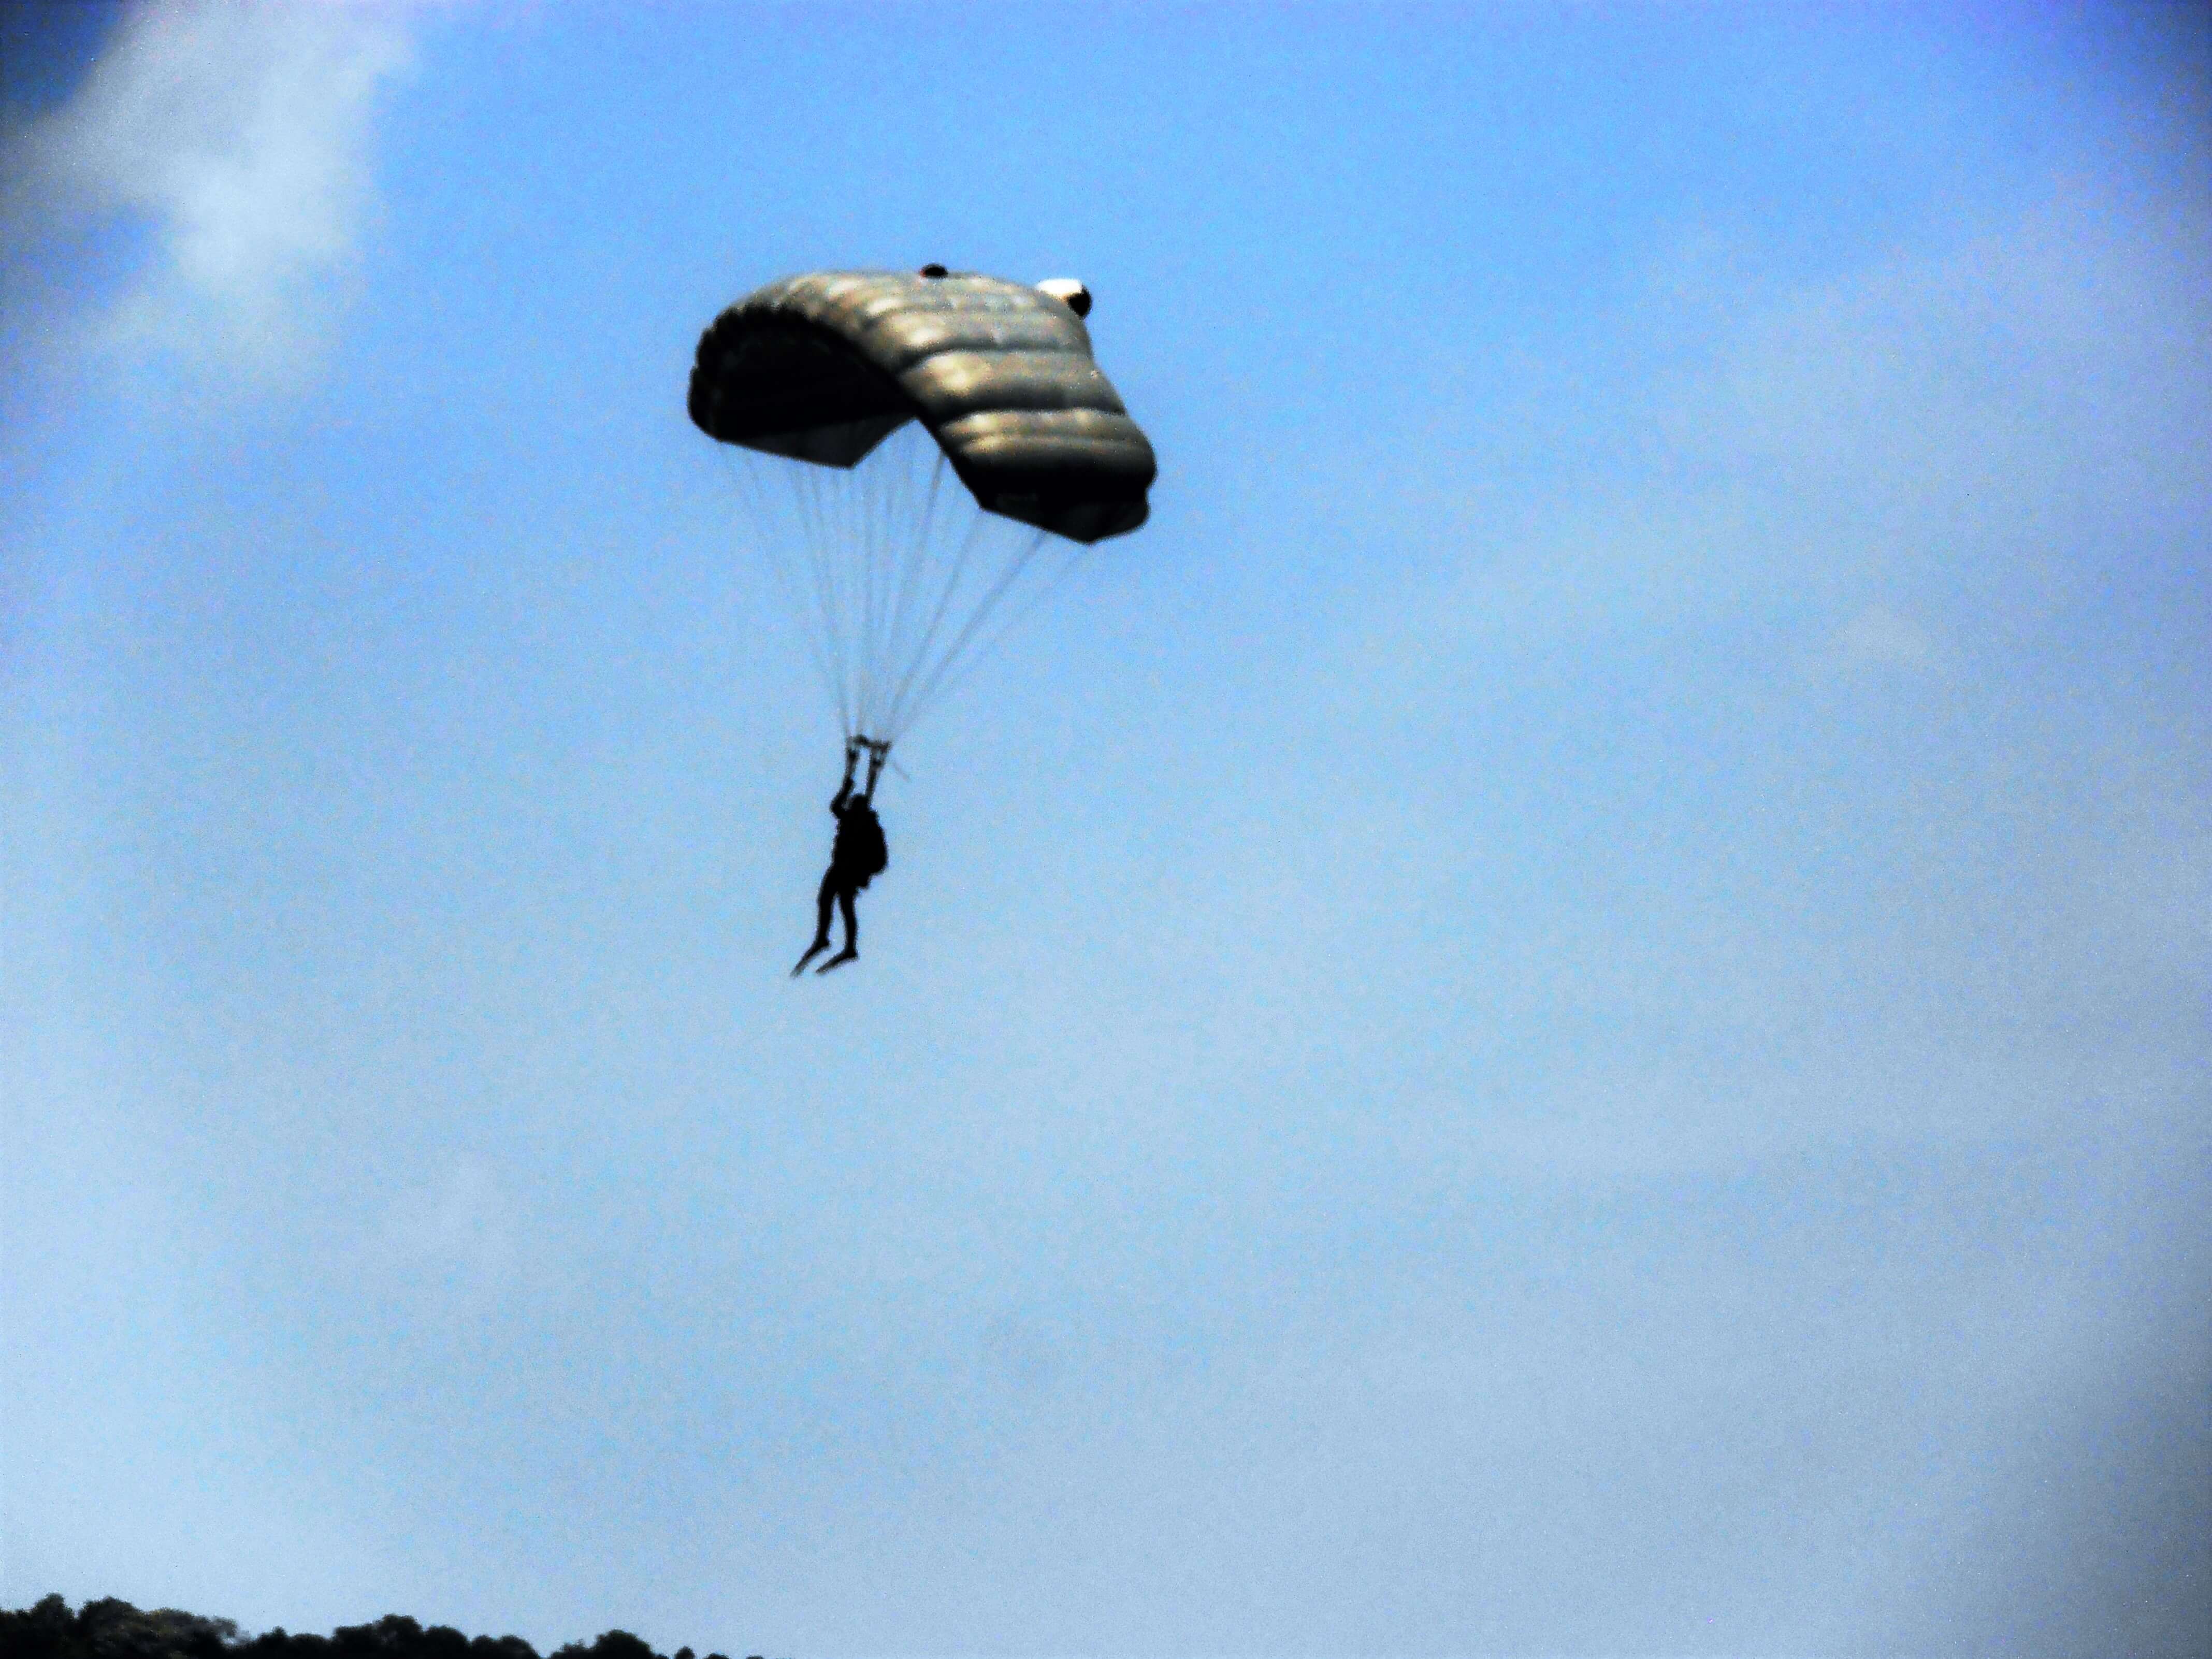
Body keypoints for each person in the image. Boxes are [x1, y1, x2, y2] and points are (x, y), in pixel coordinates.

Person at [792, 739, 889, 976]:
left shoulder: (867, 823)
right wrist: (848, 780)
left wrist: (854, 773)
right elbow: (836, 806)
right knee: (828, 900)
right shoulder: (850, 817)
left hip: (851, 869)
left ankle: (843, 945)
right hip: (842, 867)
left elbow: (846, 805)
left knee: (841, 902)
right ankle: (827, 940)